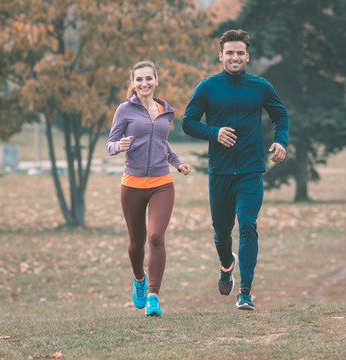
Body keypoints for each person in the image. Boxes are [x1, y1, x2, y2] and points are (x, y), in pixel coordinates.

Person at [182, 29, 289, 310]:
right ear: (221, 56)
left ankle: (245, 291)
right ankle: (226, 264)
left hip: (251, 170)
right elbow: (188, 123)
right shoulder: (207, 87)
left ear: (247, 56)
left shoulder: (261, 86)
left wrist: (281, 141)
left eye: (240, 53)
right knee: (221, 232)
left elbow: (281, 115)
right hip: (220, 172)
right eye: (230, 52)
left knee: (248, 225)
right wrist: (214, 132)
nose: (235, 57)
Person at [107, 60, 191, 317]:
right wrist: (119, 146)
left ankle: (153, 296)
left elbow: (163, 144)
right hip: (131, 184)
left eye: (148, 79)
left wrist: (177, 163)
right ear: (133, 84)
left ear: (156, 81)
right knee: (137, 243)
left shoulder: (165, 112)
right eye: (139, 79)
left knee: (156, 237)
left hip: (161, 184)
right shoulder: (124, 110)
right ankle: (139, 279)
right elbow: (110, 144)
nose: (144, 83)